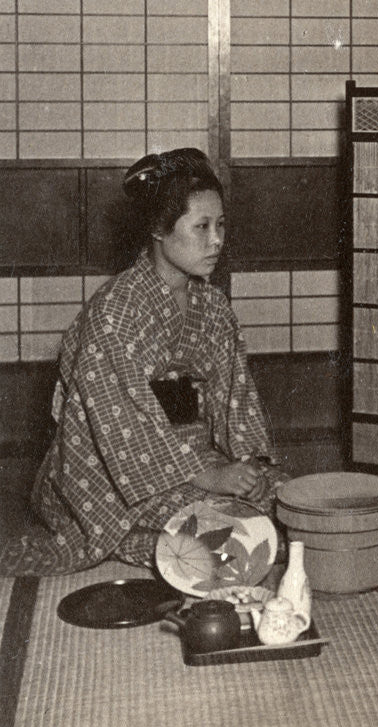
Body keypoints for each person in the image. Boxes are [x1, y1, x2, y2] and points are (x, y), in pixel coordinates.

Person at [1, 147, 286, 575]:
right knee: (226, 538)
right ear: (158, 229)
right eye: (202, 226)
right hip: (106, 470)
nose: (217, 241)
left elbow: (236, 399)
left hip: (192, 457)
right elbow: (122, 428)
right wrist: (207, 477)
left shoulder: (213, 307)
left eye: (221, 225)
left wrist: (247, 462)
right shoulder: (114, 312)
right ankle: (149, 542)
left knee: (281, 500)